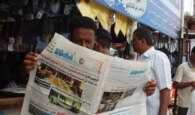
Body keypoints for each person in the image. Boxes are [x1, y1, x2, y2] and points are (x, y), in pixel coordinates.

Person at [23, 16, 156, 96]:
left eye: (88, 42)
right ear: (70, 39)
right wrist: (31, 71)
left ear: (95, 41)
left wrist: (146, 89)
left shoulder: (105, 65)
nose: (84, 47)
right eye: (78, 41)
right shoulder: (54, 59)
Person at [131, 27, 171, 115]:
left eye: (134, 40)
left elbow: (165, 88)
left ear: (142, 41)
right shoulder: (140, 59)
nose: (132, 43)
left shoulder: (159, 57)